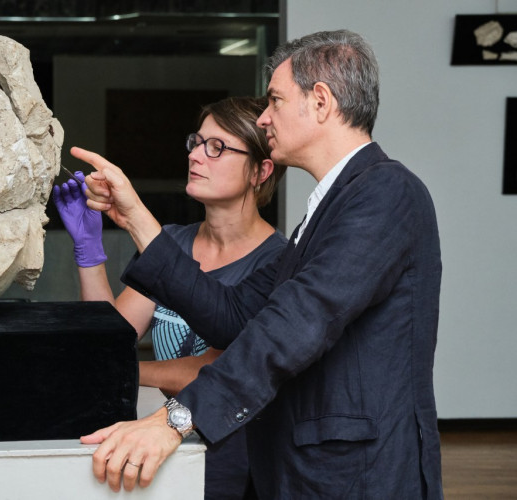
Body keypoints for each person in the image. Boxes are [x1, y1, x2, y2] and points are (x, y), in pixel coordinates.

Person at [76, 29, 444, 499]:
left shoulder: (385, 192)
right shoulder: (328, 208)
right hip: (306, 472)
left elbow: (296, 323)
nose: (264, 118)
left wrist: (177, 419)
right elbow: (231, 316)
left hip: (356, 478)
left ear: (321, 102)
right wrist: (135, 217)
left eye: (275, 100)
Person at [53, 96, 288, 500]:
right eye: (197, 142)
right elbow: (111, 338)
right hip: (163, 440)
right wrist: (88, 252)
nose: (197, 156)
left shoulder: (277, 262)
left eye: (217, 147)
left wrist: (122, 370)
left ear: (260, 171)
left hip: (236, 452)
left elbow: (217, 372)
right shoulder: (173, 243)